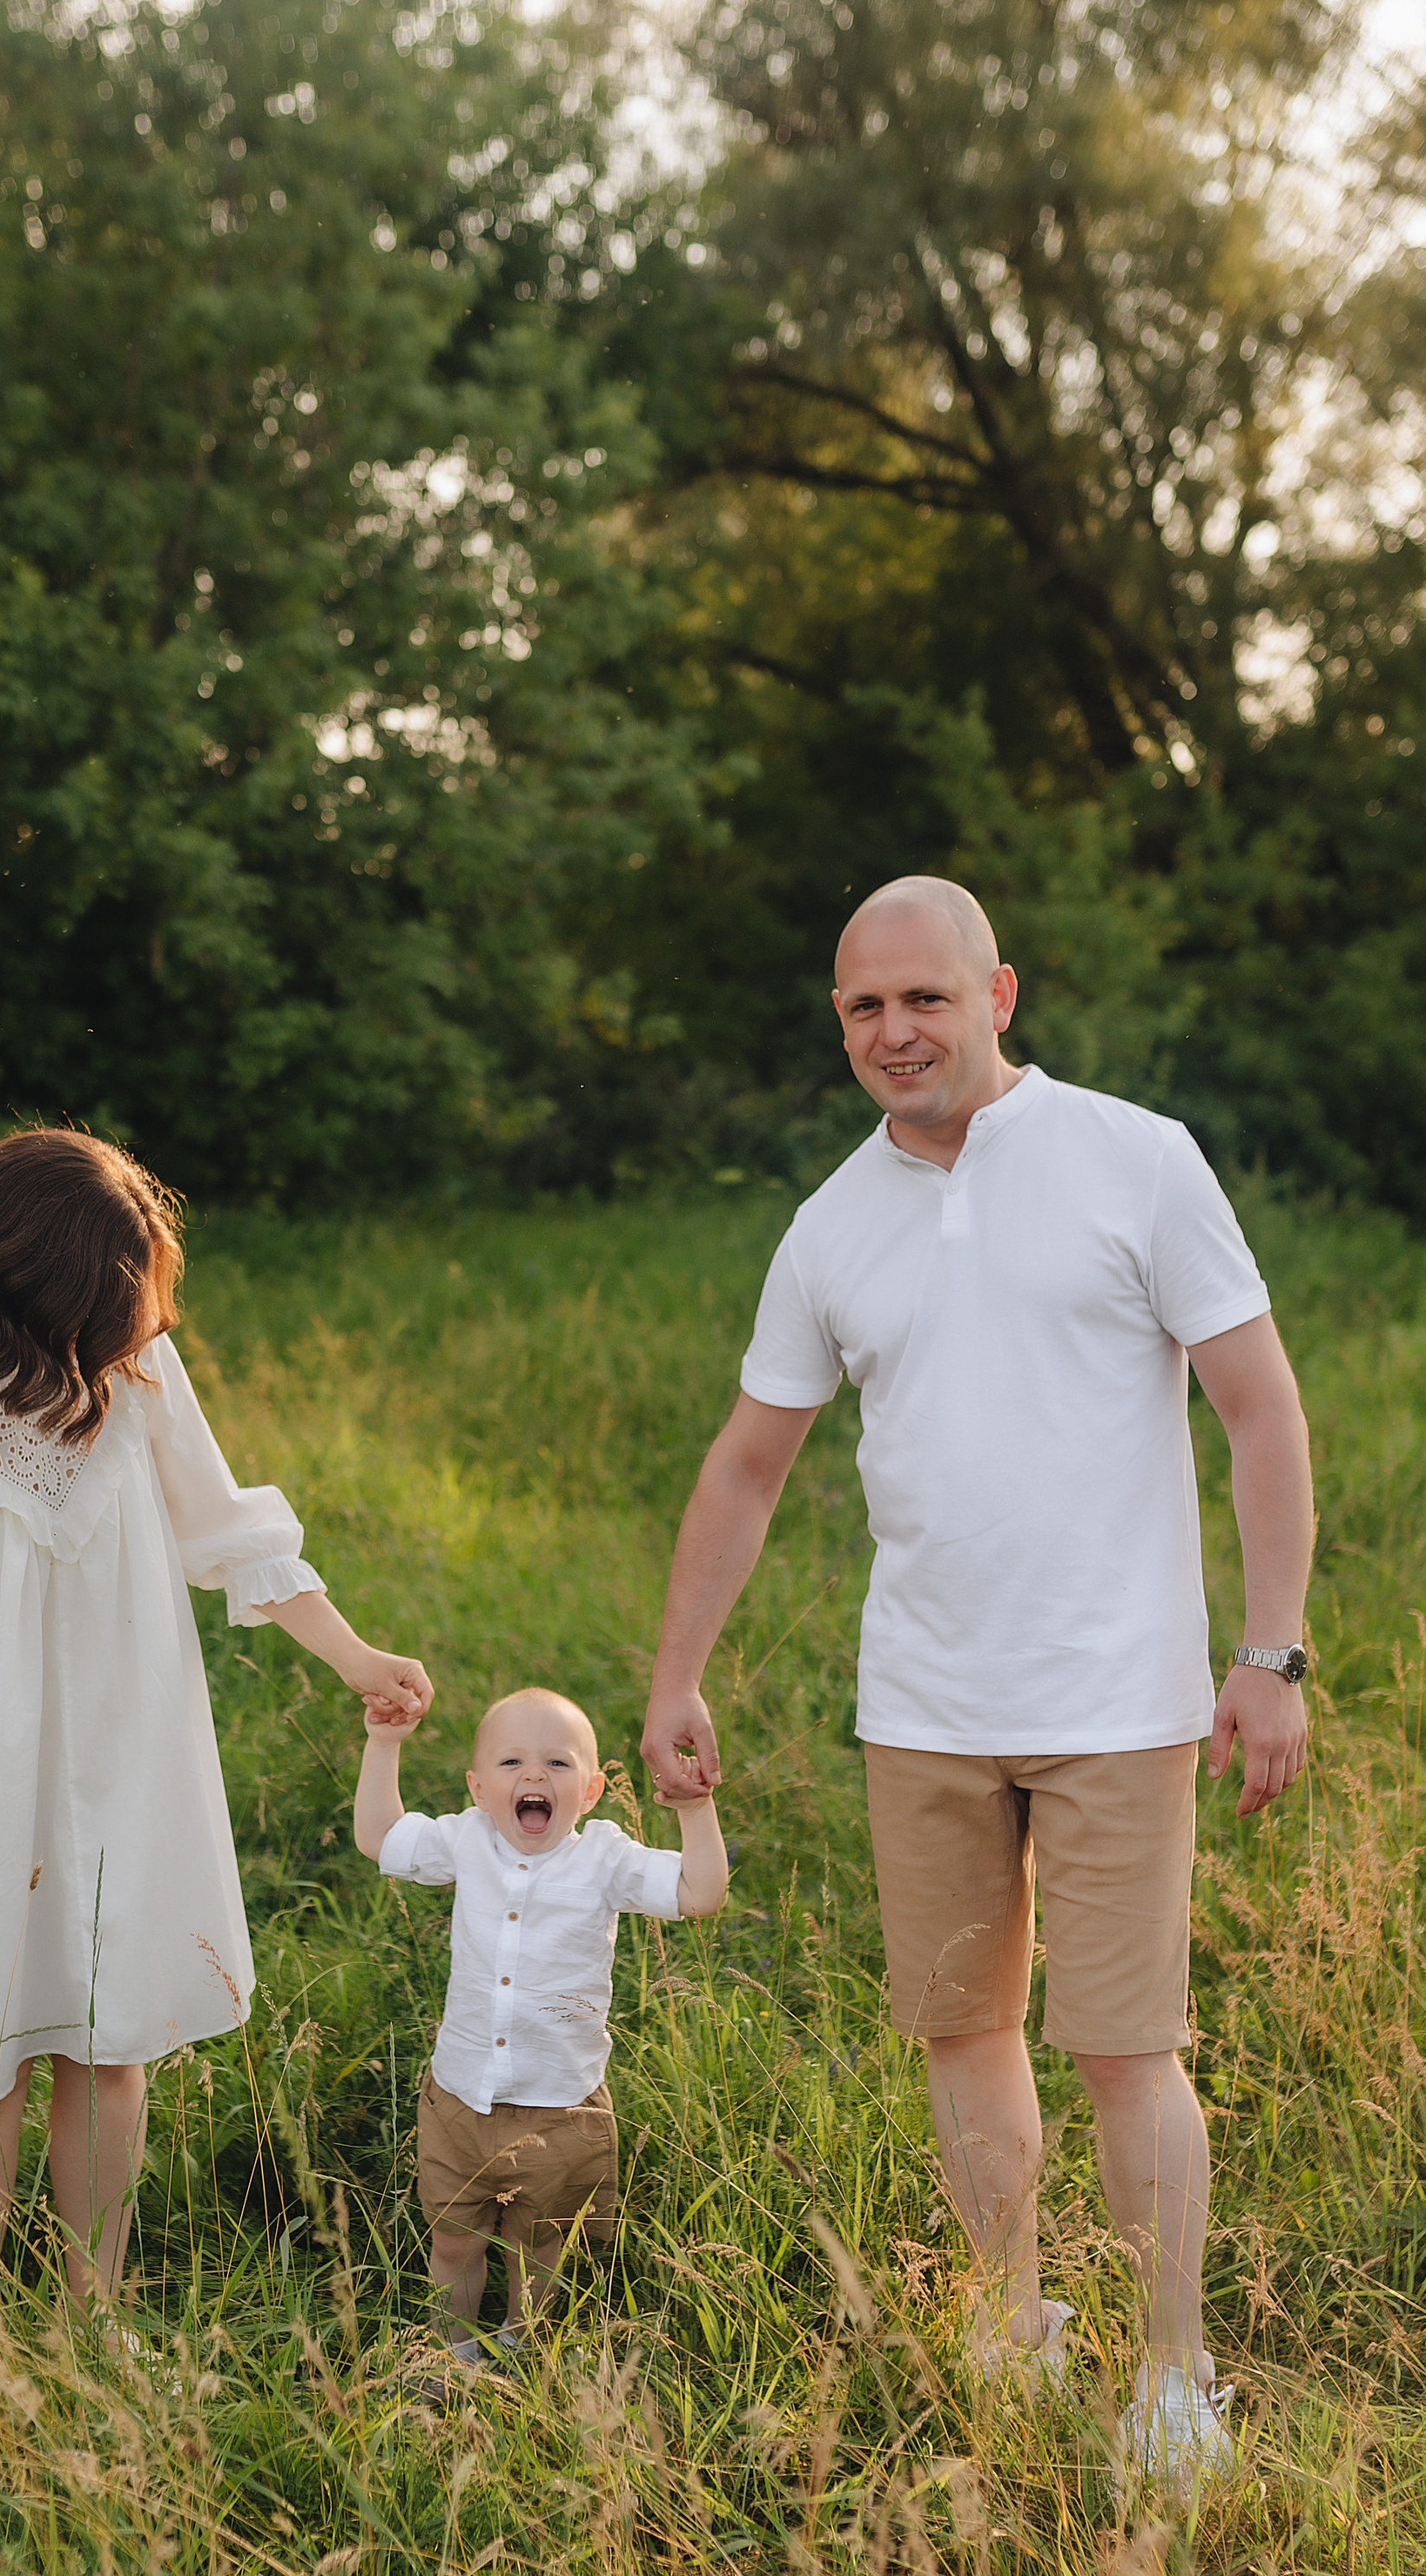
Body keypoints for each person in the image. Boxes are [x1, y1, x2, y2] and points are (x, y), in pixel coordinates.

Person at [639, 877, 1315, 2488]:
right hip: (924, 1704)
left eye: (924, 998)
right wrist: (677, 1669)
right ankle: (1012, 2329)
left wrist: (1270, 1648)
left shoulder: (1135, 1160)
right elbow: (747, 1467)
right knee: (960, 2032)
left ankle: (1172, 2377)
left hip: (1121, 1701)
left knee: (1123, 2047)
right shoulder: (830, 1224)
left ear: (997, 991)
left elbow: (1261, 1411)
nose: (895, 1032)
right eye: (864, 1007)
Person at [0, 1127, 431, 2336]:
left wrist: (354, 1655)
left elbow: (223, 1524)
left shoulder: (128, 1366)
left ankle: (94, 2312)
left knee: (107, 2037)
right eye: (108, 1302)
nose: (135, 1329)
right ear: (27, 1285)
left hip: (123, 1750)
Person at [356, 1684, 729, 2391]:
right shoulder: (466, 1838)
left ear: (589, 1791)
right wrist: (385, 1743)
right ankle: (453, 2355)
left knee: (542, 2248)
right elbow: (380, 1836)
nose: (533, 1777)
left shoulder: (605, 1858)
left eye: (557, 1764)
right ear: (477, 1787)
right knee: (454, 2237)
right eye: (511, 1762)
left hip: (561, 2108)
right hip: (461, 2097)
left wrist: (695, 1808)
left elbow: (699, 1892)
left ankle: (524, 2357)